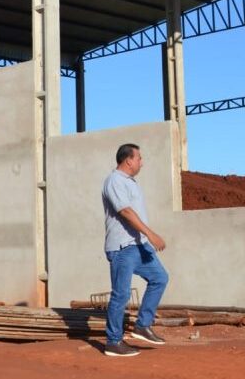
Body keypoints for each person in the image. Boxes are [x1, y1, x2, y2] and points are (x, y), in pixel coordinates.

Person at [101, 143, 170, 357]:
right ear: (128, 160)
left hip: (138, 245)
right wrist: (150, 233)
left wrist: (144, 238)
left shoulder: (131, 182)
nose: (142, 162)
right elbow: (126, 212)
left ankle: (142, 325)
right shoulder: (114, 181)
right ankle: (113, 342)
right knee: (120, 295)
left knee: (160, 278)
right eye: (139, 158)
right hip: (123, 247)